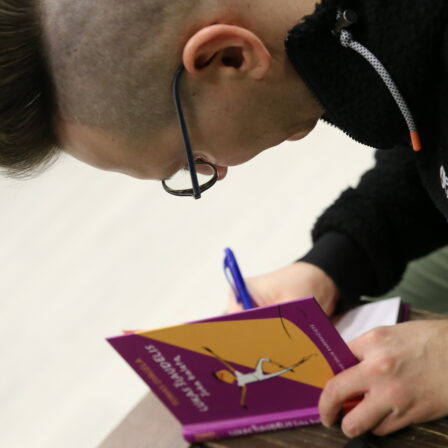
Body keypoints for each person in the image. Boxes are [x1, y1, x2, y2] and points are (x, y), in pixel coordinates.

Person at [1, 0, 448, 439]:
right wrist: (335, 262)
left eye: (193, 161)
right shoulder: (348, 44)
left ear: (229, 57)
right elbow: (424, 147)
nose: (222, 170)